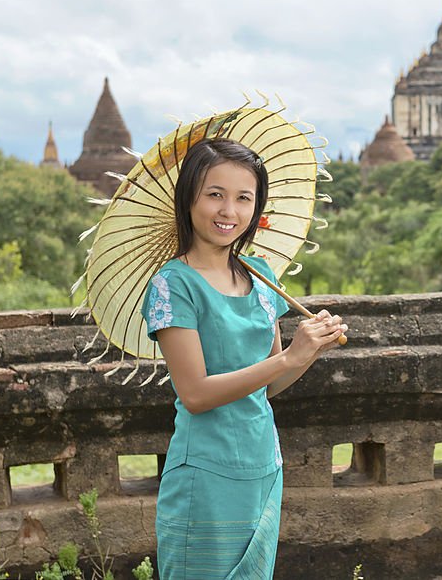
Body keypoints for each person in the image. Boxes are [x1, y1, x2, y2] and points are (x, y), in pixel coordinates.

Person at [140, 138, 346, 579]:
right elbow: (194, 394)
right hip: (206, 472)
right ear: (189, 197)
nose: (227, 211)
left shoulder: (260, 274)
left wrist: (309, 350)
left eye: (243, 198)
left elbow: (267, 384)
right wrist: (290, 357)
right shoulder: (173, 285)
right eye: (214, 194)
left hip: (262, 463)